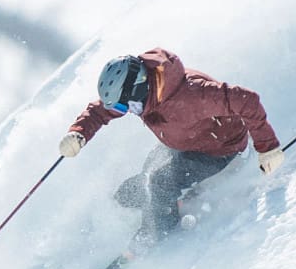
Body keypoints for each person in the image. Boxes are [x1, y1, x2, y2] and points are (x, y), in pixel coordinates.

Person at [58, 49, 284, 246]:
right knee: (139, 185)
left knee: (159, 183)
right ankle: (155, 212)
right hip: (182, 142)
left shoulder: (192, 94)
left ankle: (160, 239)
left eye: (122, 105)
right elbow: (99, 110)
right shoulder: (144, 94)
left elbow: (247, 100)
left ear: (137, 88)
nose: (121, 111)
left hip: (218, 149)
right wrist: (78, 133)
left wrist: (267, 148)